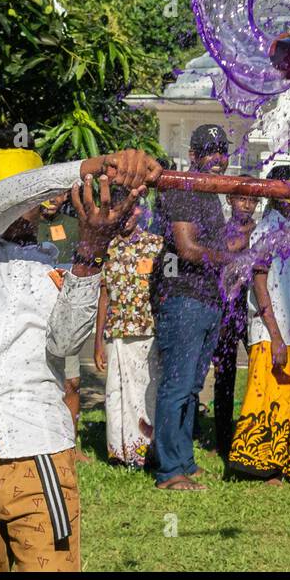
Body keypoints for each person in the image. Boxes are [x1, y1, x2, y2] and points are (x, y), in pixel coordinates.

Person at [0, 132, 158, 571]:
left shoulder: (54, 264)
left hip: (36, 453)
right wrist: (97, 164)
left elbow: (65, 343)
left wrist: (89, 258)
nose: (24, 206)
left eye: (34, 195)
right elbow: (0, 201)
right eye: (24, 192)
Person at [150, 124, 244, 490]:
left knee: (190, 386)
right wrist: (230, 260)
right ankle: (169, 471)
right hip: (184, 298)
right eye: (209, 150)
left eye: (222, 150)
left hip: (207, 299)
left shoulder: (210, 194)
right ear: (193, 155)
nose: (217, 158)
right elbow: (187, 249)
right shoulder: (183, 188)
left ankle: (184, 461)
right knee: (176, 386)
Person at [227, 166, 290, 482]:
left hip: (286, 330)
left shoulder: (286, 227)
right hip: (270, 331)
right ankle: (254, 463)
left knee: (283, 398)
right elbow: (259, 282)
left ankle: (276, 463)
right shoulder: (268, 230)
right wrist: (275, 335)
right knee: (266, 396)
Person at [92, 185, 164, 469]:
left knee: (144, 392)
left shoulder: (155, 245)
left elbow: (162, 291)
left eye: (131, 210)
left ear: (138, 210)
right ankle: (118, 453)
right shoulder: (105, 247)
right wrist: (98, 341)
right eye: (119, 211)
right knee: (115, 393)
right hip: (115, 331)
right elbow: (103, 295)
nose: (127, 216)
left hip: (146, 329)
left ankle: (143, 452)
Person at [211, 185, 258, 459]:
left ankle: (253, 430)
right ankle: (222, 438)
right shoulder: (220, 230)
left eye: (252, 199)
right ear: (230, 199)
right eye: (242, 198)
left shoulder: (262, 231)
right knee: (224, 375)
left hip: (253, 309)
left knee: (259, 370)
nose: (247, 204)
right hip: (226, 309)